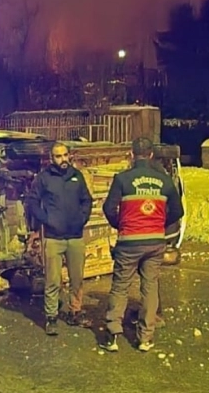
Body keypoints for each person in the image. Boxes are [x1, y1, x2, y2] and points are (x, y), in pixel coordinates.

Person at [100, 137, 184, 352]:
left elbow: (108, 208)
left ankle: (113, 335)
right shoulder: (164, 181)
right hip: (155, 242)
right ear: (151, 155)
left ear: (131, 154)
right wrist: (159, 224)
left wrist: (120, 224)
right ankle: (145, 338)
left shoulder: (122, 179)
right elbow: (178, 211)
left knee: (121, 286)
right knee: (150, 287)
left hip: (129, 241)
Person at [26, 142, 93, 336]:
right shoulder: (43, 178)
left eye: (65, 155)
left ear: (69, 155)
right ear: (51, 158)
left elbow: (86, 200)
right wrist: (47, 219)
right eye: (58, 156)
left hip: (75, 236)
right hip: (53, 238)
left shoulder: (76, 176)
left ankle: (75, 312)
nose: (63, 159)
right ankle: (51, 317)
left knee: (77, 279)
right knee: (53, 280)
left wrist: (82, 219)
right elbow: (32, 201)